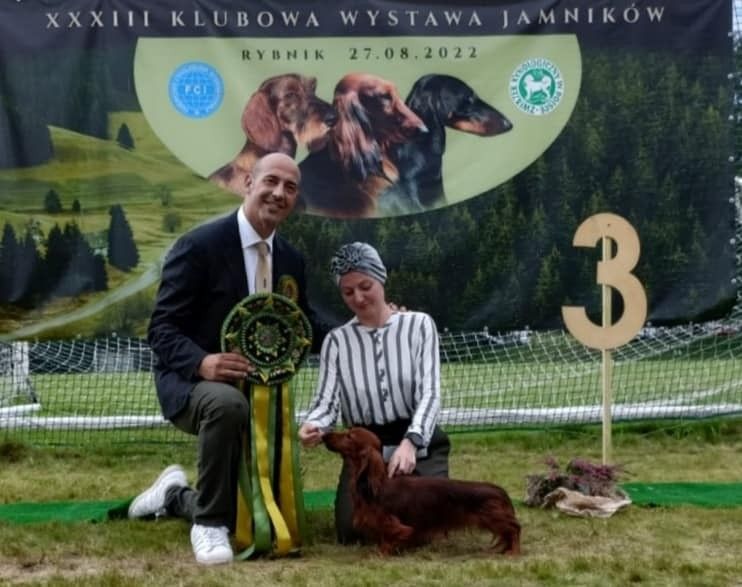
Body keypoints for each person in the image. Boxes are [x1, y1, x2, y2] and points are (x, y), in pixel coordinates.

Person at [128, 152, 326, 565]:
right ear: (248, 183)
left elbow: (304, 325)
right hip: (194, 385)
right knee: (228, 403)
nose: (279, 193)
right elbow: (161, 329)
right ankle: (209, 525)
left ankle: (173, 496)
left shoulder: (292, 259)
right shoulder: (199, 246)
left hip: (264, 392)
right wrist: (204, 363)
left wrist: (370, 323)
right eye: (271, 181)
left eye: (290, 187)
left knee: (245, 509)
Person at [298, 242, 450, 544]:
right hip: (365, 450)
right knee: (355, 531)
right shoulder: (336, 342)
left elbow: (430, 393)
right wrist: (313, 425)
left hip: (416, 443)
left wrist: (411, 442)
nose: (358, 298)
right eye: (348, 292)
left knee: (424, 528)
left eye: (365, 286)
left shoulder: (420, 325)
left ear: (381, 279)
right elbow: (326, 402)